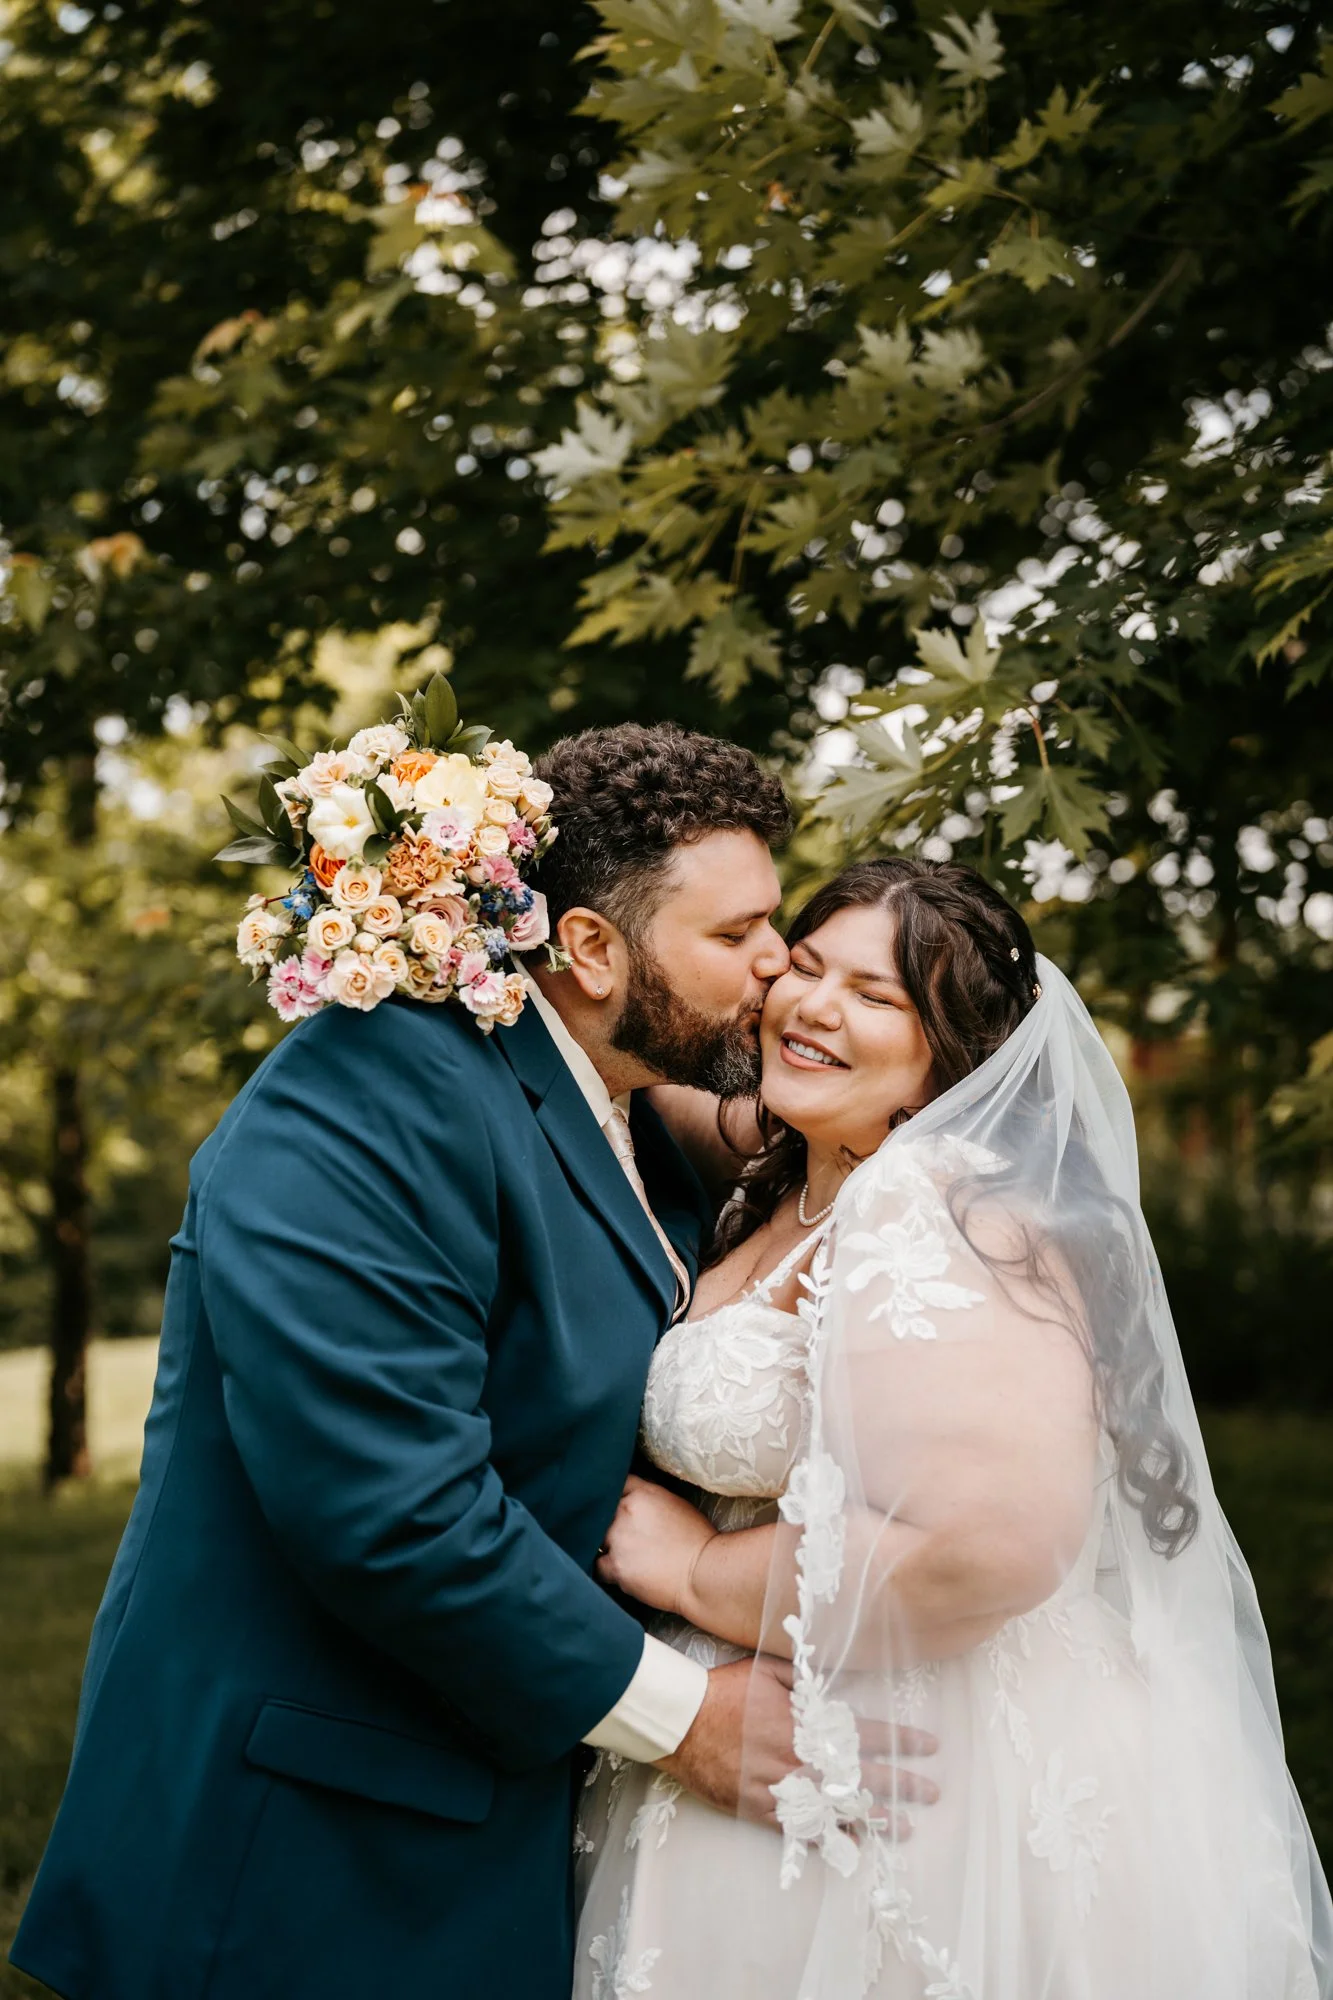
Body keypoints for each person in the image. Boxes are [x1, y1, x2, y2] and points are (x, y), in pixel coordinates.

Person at [11, 724, 813, 2000]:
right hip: (307, 1852)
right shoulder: (363, 1100)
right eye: (736, 937)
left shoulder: (608, 1097)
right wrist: (686, 1720)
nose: (780, 966)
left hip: (474, 1811)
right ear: (591, 950)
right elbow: (390, 1509)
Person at [577, 856, 1332, 2000]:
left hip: (913, 1782)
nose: (815, 1006)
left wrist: (693, 1569)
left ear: (954, 1052)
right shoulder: (801, 1166)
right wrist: (474, 929)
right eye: (808, 966)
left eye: (877, 996)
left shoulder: (927, 1205)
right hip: (763, 1743)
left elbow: (985, 1547)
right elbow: (638, 1064)